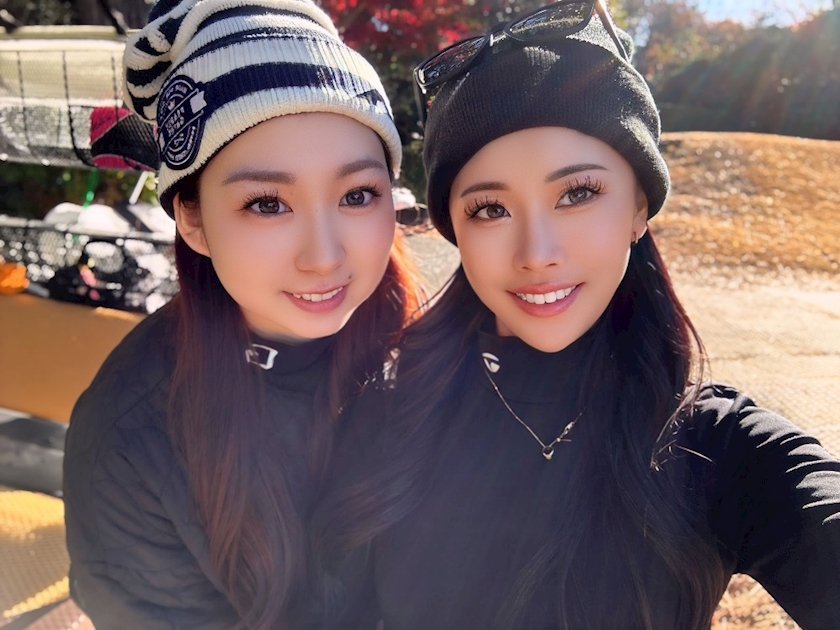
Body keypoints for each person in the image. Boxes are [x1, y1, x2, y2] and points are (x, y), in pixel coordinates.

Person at [315, 2, 840, 628]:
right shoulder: (384, 411)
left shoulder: (714, 443)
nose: (537, 254)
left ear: (639, 206)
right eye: (490, 209)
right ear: (454, 227)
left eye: (577, 193)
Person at [62, 0, 420, 628]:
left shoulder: (428, 347)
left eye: (357, 194)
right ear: (192, 219)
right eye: (267, 204)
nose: (324, 256)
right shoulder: (134, 435)